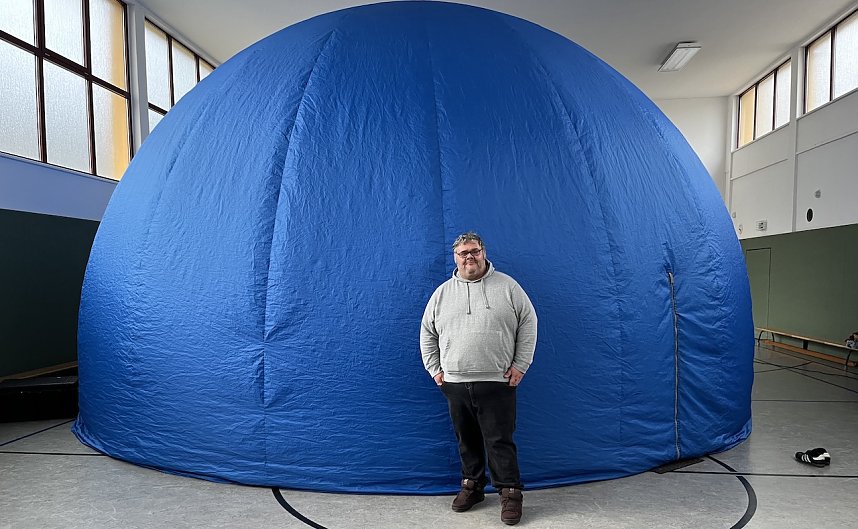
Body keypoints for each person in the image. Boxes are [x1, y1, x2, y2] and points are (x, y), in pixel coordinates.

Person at [420, 231, 537, 526]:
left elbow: (529, 323)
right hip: (455, 382)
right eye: (463, 253)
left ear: (483, 252)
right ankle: (472, 487)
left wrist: (521, 365)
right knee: (466, 439)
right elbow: (427, 333)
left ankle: (510, 492)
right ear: (455, 258)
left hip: (498, 381)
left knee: (500, 440)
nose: (469, 257)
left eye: (474, 251)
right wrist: (436, 369)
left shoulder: (508, 287)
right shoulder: (442, 293)